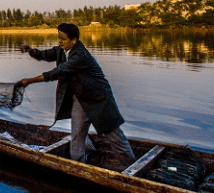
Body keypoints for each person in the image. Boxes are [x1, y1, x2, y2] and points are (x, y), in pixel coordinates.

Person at [19, 23, 135, 169]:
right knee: (77, 136)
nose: (60, 42)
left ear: (74, 40)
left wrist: (30, 80)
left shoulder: (80, 56)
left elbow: (58, 72)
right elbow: (45, 54)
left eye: (63, 39)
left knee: (114, 136)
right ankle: (80, 167)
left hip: (98, 100)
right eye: (58, 38)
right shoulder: (62, 50)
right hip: (80, 100)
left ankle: (132, 167)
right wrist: (30, 50)